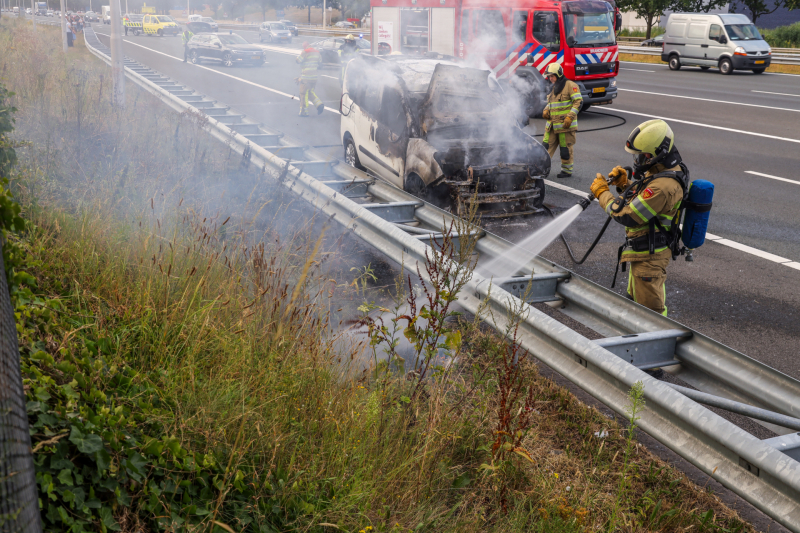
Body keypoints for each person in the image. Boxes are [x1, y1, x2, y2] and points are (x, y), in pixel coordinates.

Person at [589, 119, 688, 316]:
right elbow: (646, 203)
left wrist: (602, 194)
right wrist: (624, 186)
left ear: (657, 154)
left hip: (649, 260)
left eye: (641, 156)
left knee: (650, 317)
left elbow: (628, 216)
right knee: (636, 309)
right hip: (642, 254)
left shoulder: (663, 186)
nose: (637, 161)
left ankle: (657, 345)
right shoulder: (663, 171)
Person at [542, 62, 582, 179]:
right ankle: (541, 170)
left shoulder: (570, 85)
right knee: (545, 147)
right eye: (549, 76)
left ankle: (566, 171)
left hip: (565, 126)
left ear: (558, 75)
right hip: (552, 125)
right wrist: (546, 110)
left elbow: (578, 102)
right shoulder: (553, 87)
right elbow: (552, 103)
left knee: (565, 149)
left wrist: (570, 117)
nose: (550, 78)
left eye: (552, 76)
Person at [295, 42, 323, 117]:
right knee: (310, 92)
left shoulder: (305, 52)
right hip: (314, 77)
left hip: (306, 77)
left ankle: (304, 112)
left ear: (304, 47)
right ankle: (319, 105)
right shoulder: (317, 52)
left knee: (303, 94)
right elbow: (320, 63)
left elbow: (297, 61)